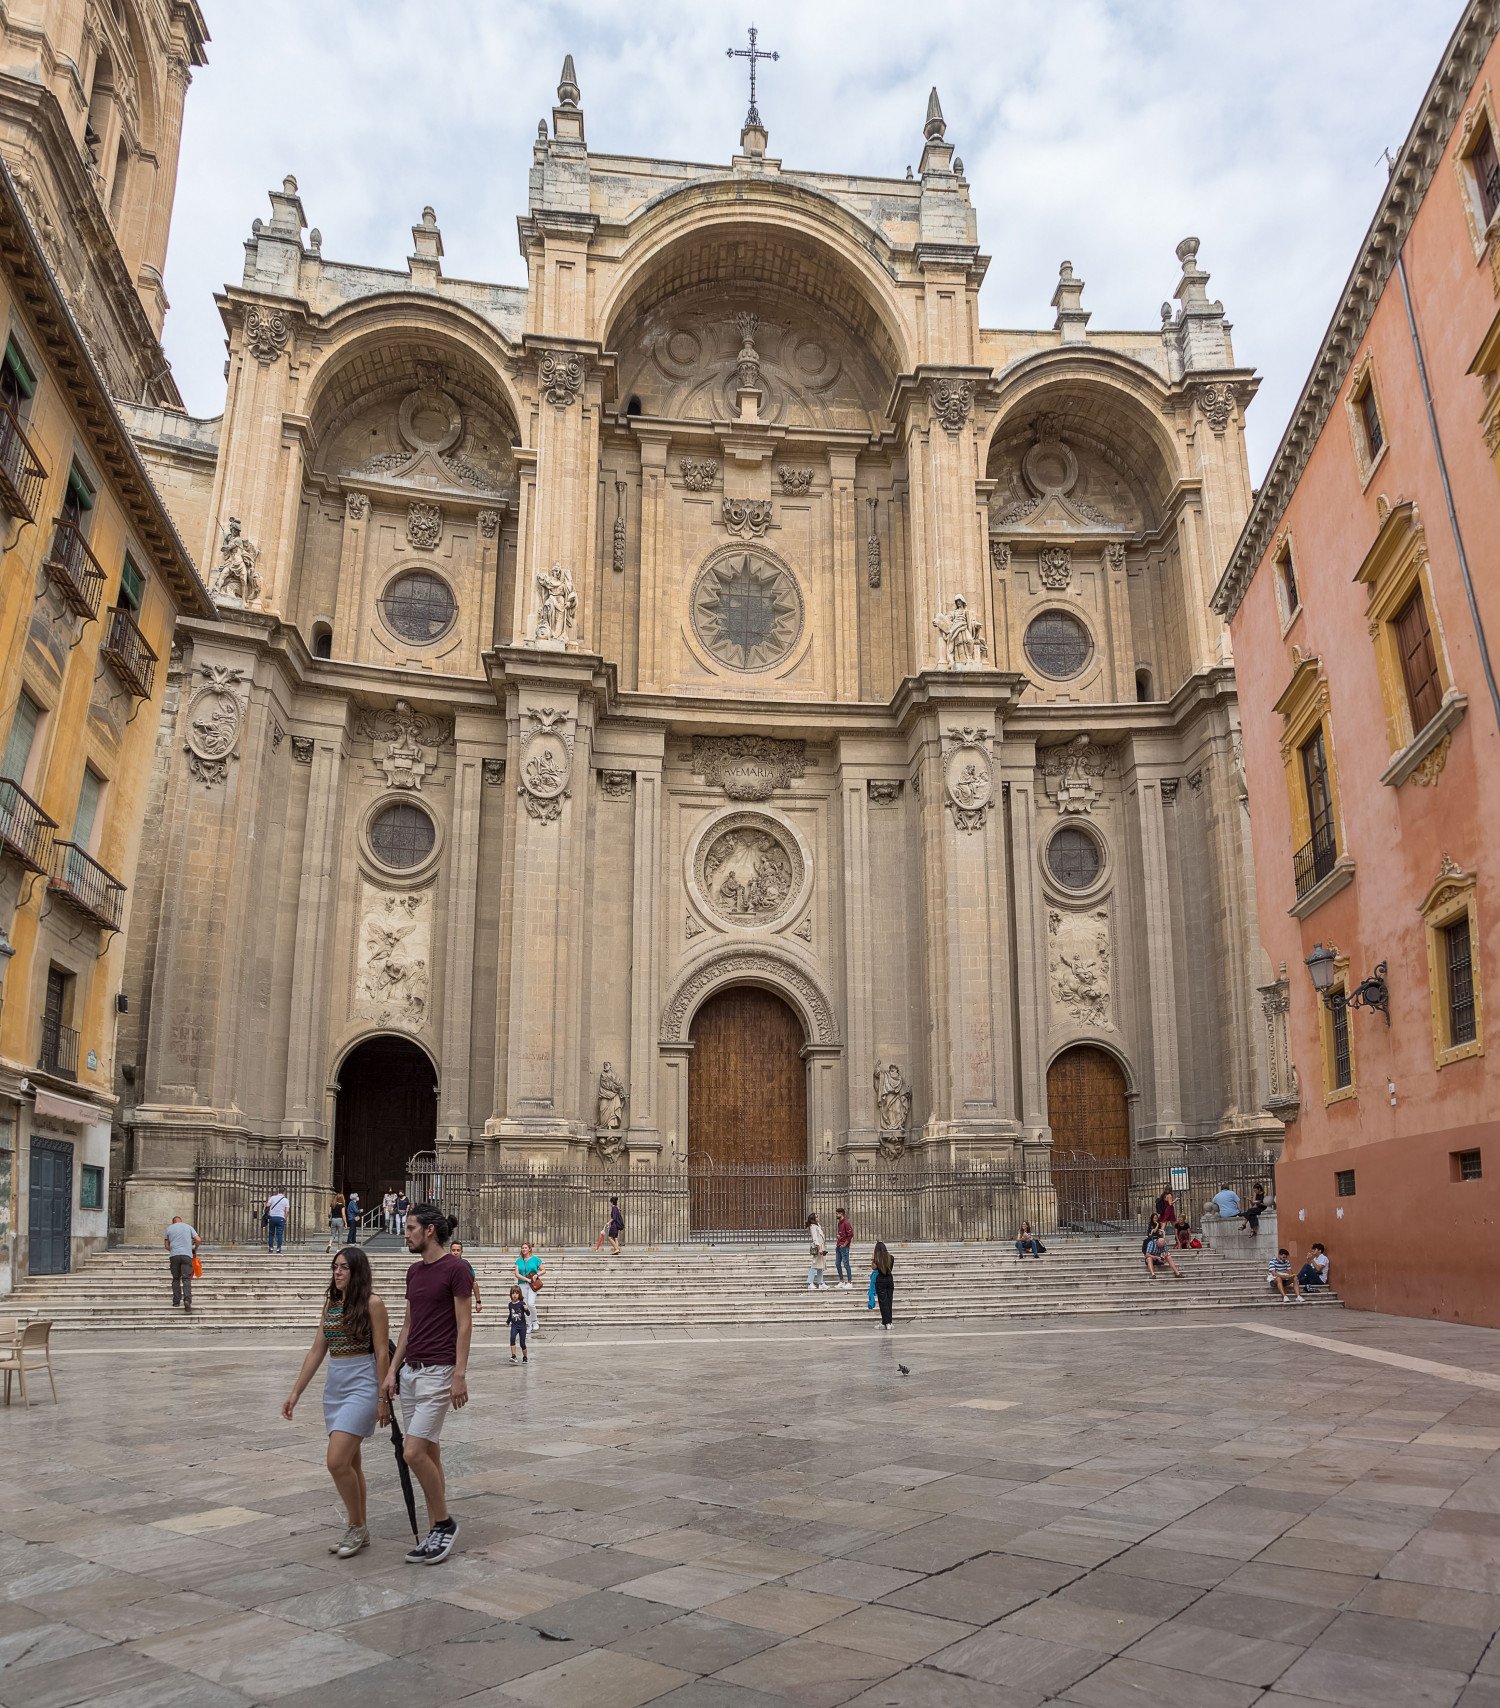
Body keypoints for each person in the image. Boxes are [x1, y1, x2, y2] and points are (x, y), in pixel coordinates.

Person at [282, 1245, 391, 1558]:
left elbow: (382, 1352)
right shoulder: (330, 1302)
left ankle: (356, 1526)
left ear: (357, 1271)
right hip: (336, 1388)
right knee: (352, 1464)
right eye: (335, 1267)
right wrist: (295, 1392)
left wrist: (383, 1398)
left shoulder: (373, 1304)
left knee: (336, 1461)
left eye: (343, 1267)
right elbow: (318, 1349)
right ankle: (361, 1527)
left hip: (363, 1385)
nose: (338, 1273)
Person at [382, 1203, 472, 1563]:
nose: (406, 1234)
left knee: (413, 1452)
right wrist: (392, 1370)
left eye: (410, 1227)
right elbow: (406, 1325)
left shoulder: (457, 1268)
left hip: (438, 1371)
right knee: (429, 1450)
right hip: (411, 1372)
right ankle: (437, 1526)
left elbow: (464, 1324)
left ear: (429, 1231)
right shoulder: (414, 1272)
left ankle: (445, 1524)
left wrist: (459, 1374)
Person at [164, 1215, 200, 1311]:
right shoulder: (188, 1227)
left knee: (176, 1278)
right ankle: (187, 1300)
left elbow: (166, 1246)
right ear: (181, 1221)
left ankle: (176, 1302)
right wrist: (194, 1248)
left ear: (173, 1222)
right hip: (186, 1256)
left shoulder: (169, 1229)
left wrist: (173, 1250)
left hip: (174, 1256)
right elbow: (198, 1239)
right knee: (186, 1279)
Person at [515, 1241, 544, 1337]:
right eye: (522, 1248)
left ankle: (535, 1321)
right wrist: (526, 1279)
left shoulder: (535, 1259)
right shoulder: (519, 1260)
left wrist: (536, 1274)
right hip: (523, 1284)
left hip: (532, 1284)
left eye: (525, 1248)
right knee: (524, 1305)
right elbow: (517, 1274)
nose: (524, 1249)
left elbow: (543, 1270)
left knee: (531, 1303)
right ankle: (529, 1325)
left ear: (529, 1249)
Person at [451, 1240, 482, 1314]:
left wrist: (478, 1301)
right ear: (450, 1251)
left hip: (463, 1301)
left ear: (461, 1252)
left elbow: (474, 1283)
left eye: (458, 1250)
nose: (455, 1252)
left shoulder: (466, 1265)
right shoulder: (445, 1265)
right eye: (453, 1250)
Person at [871, 1241, 895, 1329]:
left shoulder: (877, 1259)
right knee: (889, 1302)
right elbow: (890, 1269)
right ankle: (889, 1322)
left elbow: (873, 1268)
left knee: (883, 1303)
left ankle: (886, 1323)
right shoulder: (891, 1258)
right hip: (889, 1280)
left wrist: (873, 1258)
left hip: (880, 1280)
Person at [806, 1214, 828, 1291]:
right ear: (814, 1218)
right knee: (815, 1266)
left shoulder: (818, 1225)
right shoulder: (813, 1227)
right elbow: (815, 1239)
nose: (818, 1217)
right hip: (818, 1249)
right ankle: (809, 1283)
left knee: (820, 1266)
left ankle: (820, 1282)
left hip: (821, 1248)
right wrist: (819, 1249)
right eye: (817, 1216)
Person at [834, 1207, 854, 1288]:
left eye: (837, 1213)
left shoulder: (846, 1223)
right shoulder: (839, 1223)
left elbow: (850, 1234)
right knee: (837, 1263)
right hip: (839, 1245)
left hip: (844, 1246)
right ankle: (841, 1281)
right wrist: (839, 1237)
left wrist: (845, 1244)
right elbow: (844, 1234)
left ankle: (849, 1282)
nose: (836, 1215)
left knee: (846, 1264)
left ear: (841, 1213)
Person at [507, 1286, 528, 1363]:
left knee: (522, 1343)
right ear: (511, 1294)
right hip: (514, 1326)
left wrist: (526, 1309)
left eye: (516, 1293)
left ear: (519, 1294)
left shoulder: (522, 1303)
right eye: (513, 1293)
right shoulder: (510, 1304)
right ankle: (513, 1356)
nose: (514, 1295)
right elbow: (510, 1314)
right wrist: (507, 1322)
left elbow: (528, 1314)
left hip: (522, 1327)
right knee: (512, 1338)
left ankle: (525, 1357)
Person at [265, 1187, 289, 1253]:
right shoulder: (286, 1200)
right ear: (284, 1192)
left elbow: (267, 1206)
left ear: (277, 1191)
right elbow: (287, 1211)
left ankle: (271, 1248)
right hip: (281, 1217)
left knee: (271, 1233)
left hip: (272, 1217)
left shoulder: (272, 1197)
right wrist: (285, 1218)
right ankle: (278, 1248)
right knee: (279, 1234)